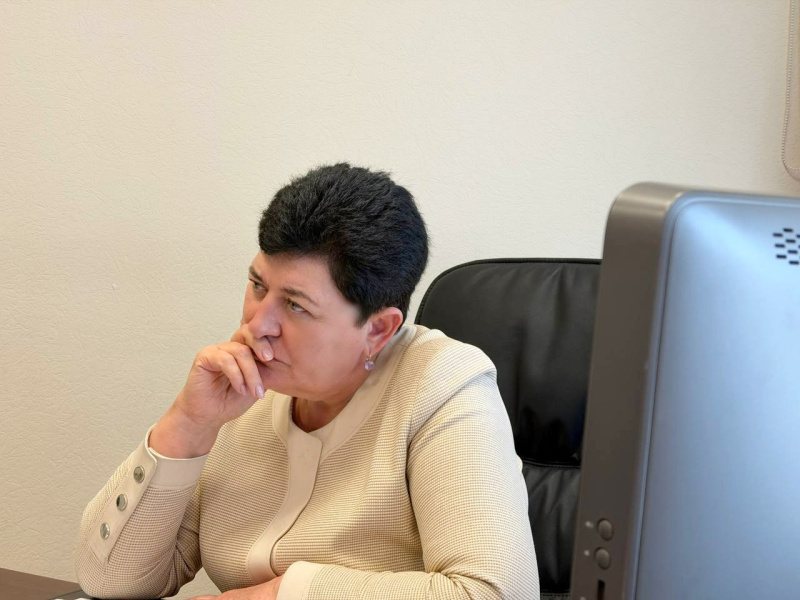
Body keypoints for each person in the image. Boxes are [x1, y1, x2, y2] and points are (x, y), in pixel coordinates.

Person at [75, 163, 539, 600]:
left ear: (378, 330)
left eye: (296, 305)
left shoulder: (443, 385)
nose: (258, 324)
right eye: (258, 286)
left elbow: (494, 593)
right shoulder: (243, 387)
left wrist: (277, 594)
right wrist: (188, 423)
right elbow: (110, 580)